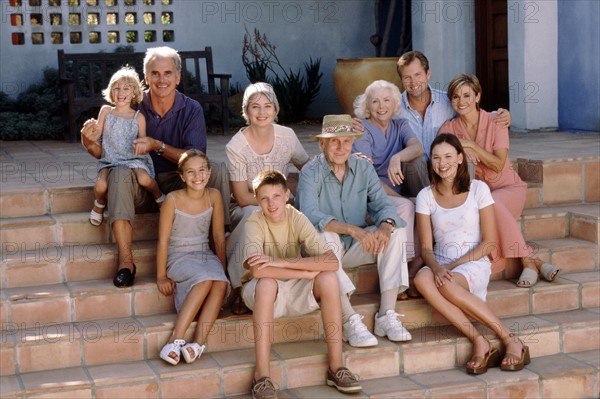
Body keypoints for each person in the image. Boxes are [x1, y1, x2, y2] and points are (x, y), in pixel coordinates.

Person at [81, 46, 230, 288]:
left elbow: (196, 157)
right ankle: (126, 263)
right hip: (138, 186)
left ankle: (221, 245)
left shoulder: (191, 109)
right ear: (146, 77)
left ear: (178, 77)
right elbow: (101, 149)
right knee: (118, 174)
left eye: (168, 73)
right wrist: (87, 140)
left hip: (178, 183)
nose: (162, 80)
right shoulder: (131, 106)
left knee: (219, 170)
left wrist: (156, 145)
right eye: (155, 73)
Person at [414, 133, 530, 374]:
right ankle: (479, 340)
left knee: (445, 284)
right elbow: (426, 248)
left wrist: (452, 266)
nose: (442, 163)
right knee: (421, 279)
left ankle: (510, 339)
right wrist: (437, 268)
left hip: (473, 260)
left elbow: (488, 243)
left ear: (459, 158)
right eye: (436, 158)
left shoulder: (478, 189)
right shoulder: (425, 195)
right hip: (441, 261)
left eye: (448, 156)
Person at [241, 170, 361, 398]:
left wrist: (281, 262)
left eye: (276, 196)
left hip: (292, 288)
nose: (271, 203)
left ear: (287, 194)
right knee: (266, 282)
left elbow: (331, 262)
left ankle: (336, 367)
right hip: (260, 293)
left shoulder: (296, 216)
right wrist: (306, 273)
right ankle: (262, 376)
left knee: (327, 278)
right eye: (264, 198)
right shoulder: (254, 221)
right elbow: (257, 269)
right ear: (257, 200)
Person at [297, 114, 412, 348]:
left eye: (347, 141)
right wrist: (349, 229)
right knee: (323, 234)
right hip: (324, 250)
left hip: (354, 248)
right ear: (322, 143)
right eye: (334, 141)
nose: (341, 147)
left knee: (396, 230)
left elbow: (383, 204)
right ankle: (349, 320)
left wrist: (385, 225)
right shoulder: (311, 171)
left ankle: (386, 315)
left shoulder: (363, 167)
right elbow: (308, 213)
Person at [439, 74, 559, 286]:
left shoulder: (497, 120)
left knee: (490, 205)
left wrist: (472, 146)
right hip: (477, 195)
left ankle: (526, 261)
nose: (461, 101)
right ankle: (534, 261)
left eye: (467, 95)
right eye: (456, 97)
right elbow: (442, 156)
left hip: (508, 188)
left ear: (477, 96)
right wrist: (461, 147)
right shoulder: (449, 129)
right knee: (485, 203)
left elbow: (498, 164)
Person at [226, 82, 309, 315]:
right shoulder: (236, 146)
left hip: (279, 204)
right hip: (246, 208)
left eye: (267, 106)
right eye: (255, 107)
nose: (262, 112)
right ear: (246, 111)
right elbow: (242, 197)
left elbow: (308, 167)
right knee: (256, 215)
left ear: (275, 109)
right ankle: (238, 285)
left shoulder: (288, 136)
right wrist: (276, 203)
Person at [352, 51, 511, 162]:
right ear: (401, 79)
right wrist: (356, 124)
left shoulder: (446, 102)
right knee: (415, 164)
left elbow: (470, 111)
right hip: (412, 171)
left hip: (443, 166)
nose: (413, 82)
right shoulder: (393, 106)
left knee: (462, 159)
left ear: (428, 74)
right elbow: (373, 116)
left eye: (418, 75)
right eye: (407, 77)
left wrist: (499, 114)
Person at [353, 80, 426, 295]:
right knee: (406, 207)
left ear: (395, 103)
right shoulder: (361, 129)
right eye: (374, 101)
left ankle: (415, 263)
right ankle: (405, 273)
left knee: (417, 198)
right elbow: (367, 176)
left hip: (395, 190)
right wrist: (400, 198)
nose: (381, 106)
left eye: (386, 100)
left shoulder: (400, 124)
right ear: (367, 106)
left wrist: (397, 157)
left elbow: (417, 148)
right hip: (370, 194)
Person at [156, 150, 229, 365]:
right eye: (190, 172)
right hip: (178, 256)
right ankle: (174, 340)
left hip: (204, 253)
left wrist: (221, 270)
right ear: (182, 176)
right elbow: (162, 241)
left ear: (209, 172)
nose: (197, 176)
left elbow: (218, 237)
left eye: (202, 171)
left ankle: (197, 344)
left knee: (219, 283)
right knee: (205, 279)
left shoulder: (213, 195)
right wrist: (161, 275)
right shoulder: (172, 200)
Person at [88, 66, 164, 228]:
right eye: (116, 88)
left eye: (126, 88)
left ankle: (158, 196)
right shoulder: (106, 111)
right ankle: (100, 202)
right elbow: (97, 134)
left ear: (134, 93)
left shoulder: (138, 117)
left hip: (133, 159)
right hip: (109, 159)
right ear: (111, 92)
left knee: (144, 179)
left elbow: (143, 141)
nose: (120, 92)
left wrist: (141, 145)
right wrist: (91, 130)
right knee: (101, 185)